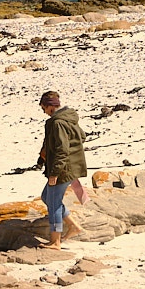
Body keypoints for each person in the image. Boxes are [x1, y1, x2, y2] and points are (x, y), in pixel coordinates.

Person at [36, 91, 93, 247]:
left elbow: (62, 150)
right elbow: (81, 136)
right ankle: (74, 226)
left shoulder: (57, 123)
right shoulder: (69, 118)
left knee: (53, 203)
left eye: (43, 108)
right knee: (46, 197)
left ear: (50, 106)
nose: (43, 112)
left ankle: (55, 241)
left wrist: (54, 173)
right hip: (70, 167)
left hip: (62, 169)